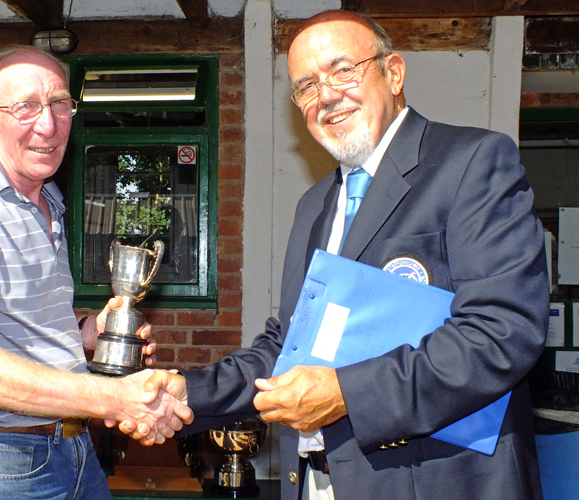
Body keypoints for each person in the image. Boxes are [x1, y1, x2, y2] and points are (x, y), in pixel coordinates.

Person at [141, 10, 549, 500]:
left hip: (439, 482)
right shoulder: (315, 204)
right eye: (306, 86)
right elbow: (290, 344)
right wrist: (190, 394)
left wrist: (344, 394)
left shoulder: (472, 162)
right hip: (318, 482)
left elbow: (502, 332)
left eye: (342, 70)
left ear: (393, 72)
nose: (326, 95)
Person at [0, 45, 193, 500]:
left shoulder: (48, 200)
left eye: (60, 103)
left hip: (75, 450)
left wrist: (88, 332)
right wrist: (115, 399)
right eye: (25, 106)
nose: (48, 124)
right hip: (3, 466)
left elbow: (24, 324)